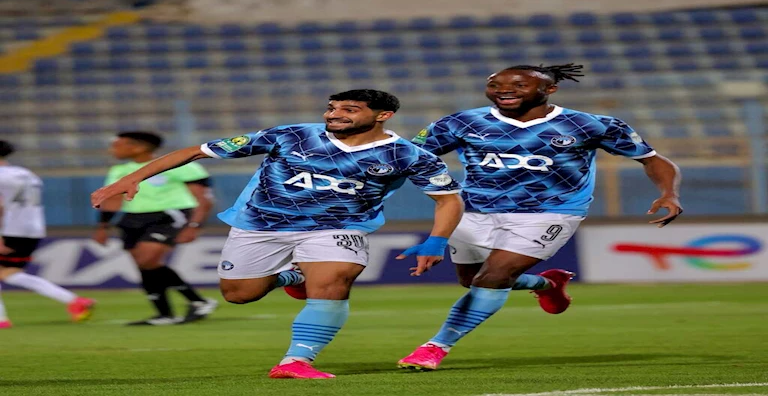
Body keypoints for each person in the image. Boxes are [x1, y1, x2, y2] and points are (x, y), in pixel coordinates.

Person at [91, 89, 464, 379]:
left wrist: (436, 241)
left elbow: (448, 200)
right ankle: (293, 276)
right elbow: (197, 151)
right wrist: (132, 178)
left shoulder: (407, 155)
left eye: (349, 109)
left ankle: (296, 360)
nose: (334, 114)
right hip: (259, 226)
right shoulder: (291, 135)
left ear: (383, 115)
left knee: (334, 282)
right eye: (332, 107)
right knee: (240, 295)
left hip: (338, 227)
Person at [398, 64, 683, 371]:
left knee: (493, 278)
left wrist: (669, 193)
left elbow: (652, 160)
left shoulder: (589, 125)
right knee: (471, 281)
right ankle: (547, 284)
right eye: (495, 85)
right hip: (473, 211)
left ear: (549, 89)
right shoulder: (462, 122)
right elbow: (408, 157)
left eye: (519, 85)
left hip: (549, 213)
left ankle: (434, 347)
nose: (504, 91)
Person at [93, 132, 218, 325]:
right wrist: (103, 226)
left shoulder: (181, 164)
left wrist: (194, 225)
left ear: (139, 147)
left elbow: (204, 199)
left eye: (118, 145)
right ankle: (166, 314)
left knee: (148, 259)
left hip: (169, 214)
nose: (112, 150)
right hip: (132, 218)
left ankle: (197, 301)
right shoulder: (119, 170)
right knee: (143, 265)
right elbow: (113, 200)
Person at [0, 140, 95, 328]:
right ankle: (75, 301)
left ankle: (1, 320)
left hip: (9, 229)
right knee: (9, 273)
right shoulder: (27, 174)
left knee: (9, 273)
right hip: (31, 229)